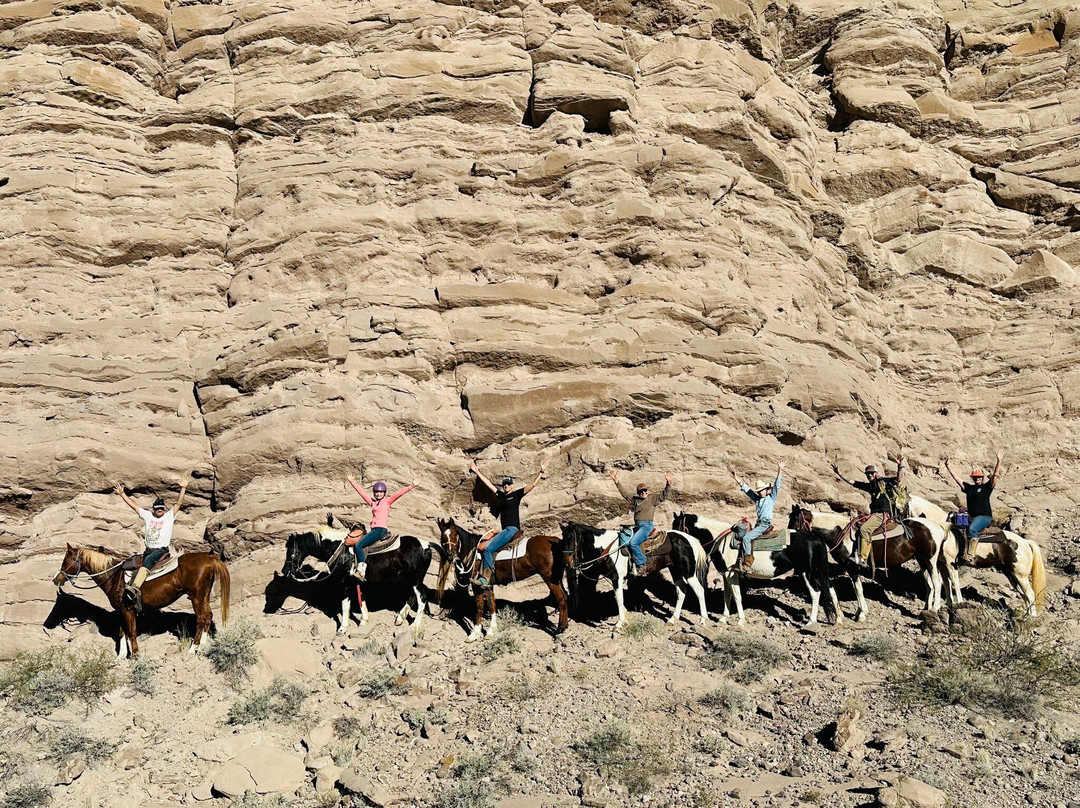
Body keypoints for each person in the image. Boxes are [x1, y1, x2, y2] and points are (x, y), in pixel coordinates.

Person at [470, 458, 549, 588]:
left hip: (511, 529)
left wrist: (541, 471)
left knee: (488, 549)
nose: (506, 486)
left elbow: (532, 486)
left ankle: (485, 579)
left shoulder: (517, 495)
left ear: (512, 486)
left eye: (508, 484)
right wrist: (477, 472)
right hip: (505, 530)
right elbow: (489, 484)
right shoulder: (501, 496)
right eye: (504, 485)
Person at [114, 474, 189, 607]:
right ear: (153, 509)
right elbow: (134, 506)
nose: (159, 510)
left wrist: (183, 488)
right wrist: (122, 494)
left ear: (164, 509)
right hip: (148, 550)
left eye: (161, 508)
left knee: (148, 562)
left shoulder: (168, 517)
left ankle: (135, 587)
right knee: (131, 563)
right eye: (157, 508)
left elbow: (178, 503)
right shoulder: (148, 516)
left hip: (161, 550)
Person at [833, 455, 906, 565]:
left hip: (883, 514)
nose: (870, 475)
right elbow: (853, 482)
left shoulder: (885, 482)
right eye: (868, 474)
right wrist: (839, 474)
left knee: (865, 530)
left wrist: (900, 466)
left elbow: (899, 479)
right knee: (855, 526)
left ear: (876, 473)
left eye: (872, 473)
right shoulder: (869, 486)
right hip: (873, 514)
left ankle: (863, 558)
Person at [346, 475, 420, 580]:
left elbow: (399, 494)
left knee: (358, 545)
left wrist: (412, 485)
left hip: (380, 529)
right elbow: (362, 493)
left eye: (381, 492)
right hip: (374, 530)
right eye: (376, 492)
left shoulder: (387, 501)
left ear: (384, 493)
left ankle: (361, 571)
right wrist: (352, 482)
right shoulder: (373, 503)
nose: (378, 494)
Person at [943, 450, 1004, 564]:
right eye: (975, 477)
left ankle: (971, 555)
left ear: (982, 478)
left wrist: (999, 461)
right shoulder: (969, 488)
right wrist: (948, 467)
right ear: (972, 478)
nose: (978, 479)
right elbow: (958, 479)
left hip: (984, 517)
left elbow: (995, 476)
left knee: (971, 529)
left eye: (980, 477)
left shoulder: (987, 487)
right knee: (956, 527)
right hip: (972, 516)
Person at [610, 469, 673, 577]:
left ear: (647, 491)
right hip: (638, 526)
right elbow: (624, 494)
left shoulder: (652, 498)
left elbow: (664, 495)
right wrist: (616, 481)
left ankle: (642, 565)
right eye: (641, 492)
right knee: (625, 539)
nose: (643, 493)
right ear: (638, 493)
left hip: (647, 526)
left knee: (634, 542)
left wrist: (668, 483)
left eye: (645, 491)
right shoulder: (636, 500)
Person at [730, 461, 785, 572]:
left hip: (764, 525)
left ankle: (747, 564)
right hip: (758, 525)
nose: (760, 492)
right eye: (759, 491)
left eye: (762, 490)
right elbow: (747, 490)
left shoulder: (771, 498)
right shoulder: (757, 499)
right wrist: (736, 478)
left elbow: (777, 485)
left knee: (746, 538)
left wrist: (780, 469)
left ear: (766, 489)